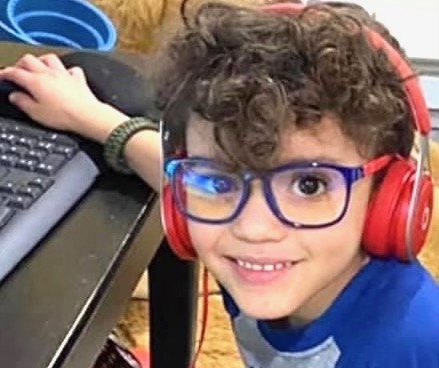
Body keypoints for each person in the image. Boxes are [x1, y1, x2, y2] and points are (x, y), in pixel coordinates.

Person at [1, 1, 439, 367]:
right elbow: (162, 159)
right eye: (219, 181)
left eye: (309, 185)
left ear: (392, 198)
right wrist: (88, 116)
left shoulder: (410, 343)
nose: (252, 229)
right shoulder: (258, 241)